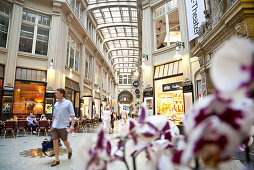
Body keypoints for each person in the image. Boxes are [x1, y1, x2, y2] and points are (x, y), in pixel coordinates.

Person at [49, 88, 75, 167]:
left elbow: (72, 114)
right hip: (55, 126)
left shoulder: (68, 103)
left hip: (63, 126)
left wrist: (72, 125)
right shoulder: (56, 104)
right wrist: (51, 126)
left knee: (65, 141)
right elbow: (54, 116)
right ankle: (57, 160)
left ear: (61, 94)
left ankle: (69, 149)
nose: (55, 94)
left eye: (57, 93)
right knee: (55, 142)